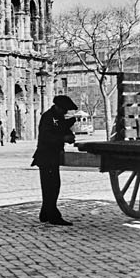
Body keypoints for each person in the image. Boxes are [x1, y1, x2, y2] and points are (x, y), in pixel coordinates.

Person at [32, 95, 79, 226]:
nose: (65, 112)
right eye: (64, 109)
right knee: (51, 186)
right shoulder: (48, 117)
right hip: (46, 156)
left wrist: (69, 132)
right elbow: (47, 137)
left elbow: (62, 129)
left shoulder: (57, 117)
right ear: (57, 107)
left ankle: (45, 213)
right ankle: (53, 215)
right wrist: (64, 138)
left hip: (53, 156)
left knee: (51, 186)